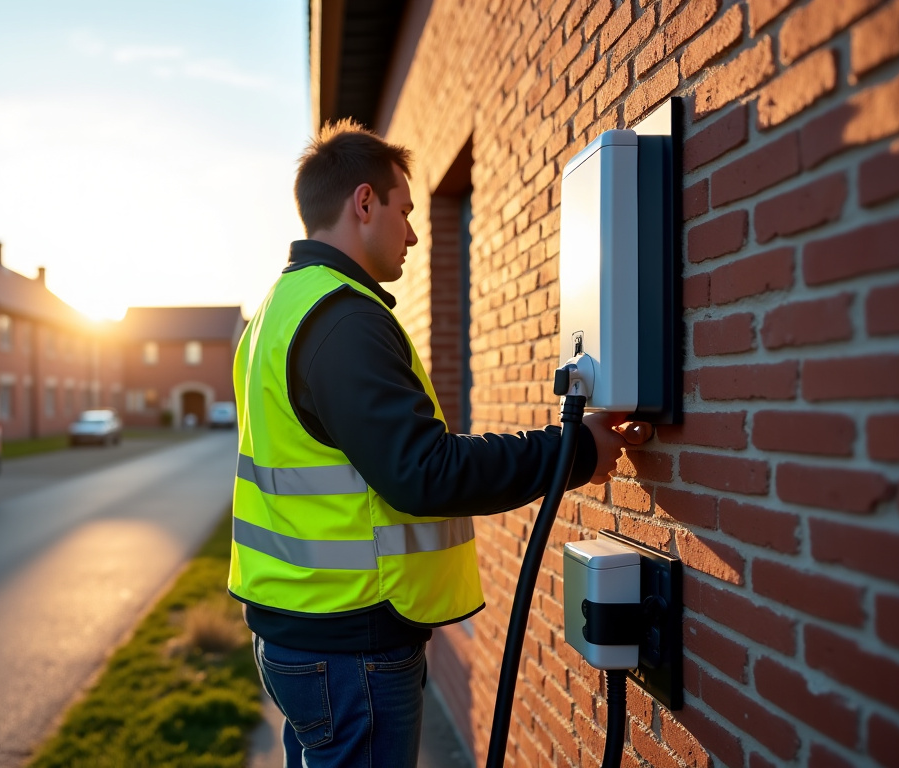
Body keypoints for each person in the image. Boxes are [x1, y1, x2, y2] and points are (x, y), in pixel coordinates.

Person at [228, 119, 648, 767]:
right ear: (363, 203)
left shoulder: (276, 313)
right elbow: (425, 472)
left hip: (301, 632)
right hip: (349, 645)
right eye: (405, 211)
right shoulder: (342, 321)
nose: (415, 234)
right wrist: (577, 451)